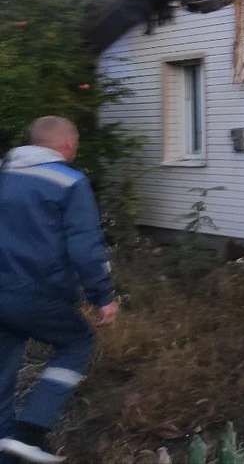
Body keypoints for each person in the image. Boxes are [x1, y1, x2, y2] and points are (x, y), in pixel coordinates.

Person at [0, 117, 118, 464]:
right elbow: (85, 247)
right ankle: (31, 430)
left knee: (4, 365)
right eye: (76, 141)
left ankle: (6, 448)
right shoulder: (69, 181)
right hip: (38, 291)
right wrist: (103, 297)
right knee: (77, 342)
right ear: (66, 142)